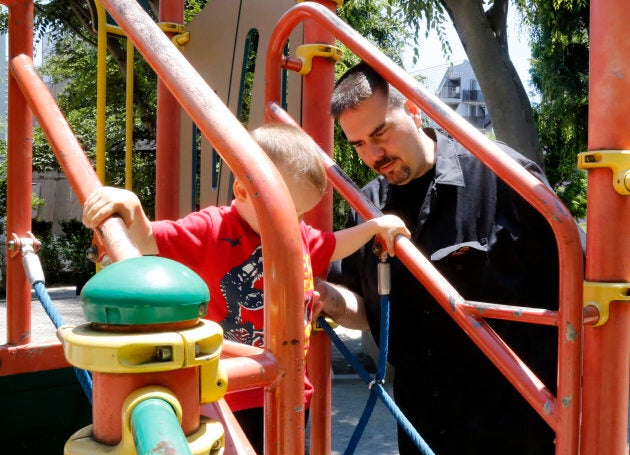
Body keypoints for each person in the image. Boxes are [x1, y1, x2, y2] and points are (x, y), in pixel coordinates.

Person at [82, 122, 410, 453]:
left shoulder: (294, 233)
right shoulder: (212, 228)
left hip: (290, 385)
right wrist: (131, 207)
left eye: (299, 213)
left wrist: (374, 227)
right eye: (285, 210)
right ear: (242, 191)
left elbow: (333, 244)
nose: (293, 221)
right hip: (228, 385)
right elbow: (150, 240)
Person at [319, 62, 576, 454]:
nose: (373, 155)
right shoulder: (367, 206)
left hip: (515, 427)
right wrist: (326, 296)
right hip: (424, 426)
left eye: (380, 133)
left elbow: (579, 287)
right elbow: (364, 308)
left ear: (414, 113)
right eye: (357, 145)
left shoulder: (503, 177)